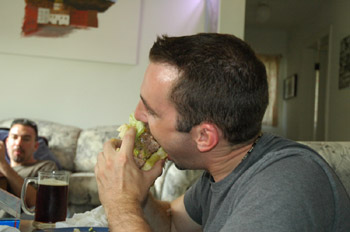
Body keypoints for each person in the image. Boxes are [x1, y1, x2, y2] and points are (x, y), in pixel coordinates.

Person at [95, 33, 350, 231]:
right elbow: (172, 225)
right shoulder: (226, 167)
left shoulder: (284, 188)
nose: (137, 114)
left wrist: (120, 204)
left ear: (204, 137)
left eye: (151, 111)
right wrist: (136, 193)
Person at [0, 118, 57, 208]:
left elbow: (38, 204)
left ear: (35, 146)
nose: (18, 143)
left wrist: (3, 165)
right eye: (14, 137)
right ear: (7, 142)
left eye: (26, 139)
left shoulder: (46, 167)